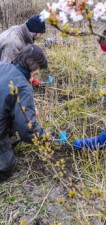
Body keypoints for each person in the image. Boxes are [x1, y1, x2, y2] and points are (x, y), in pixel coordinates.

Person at [0, 45, 48, 182]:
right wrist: (45, 137)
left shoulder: (2, 65)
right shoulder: (22, 86)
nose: (36, 74)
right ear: (33, 66)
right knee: (7, 167)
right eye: (38, 70)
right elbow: (27, 129)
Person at [0, 15, 46, 86]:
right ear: (34, 32)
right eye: (41, 33)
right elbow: (5, 72)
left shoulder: (20, 31)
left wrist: (31, 78)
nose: (42, 36)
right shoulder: (13, 43)